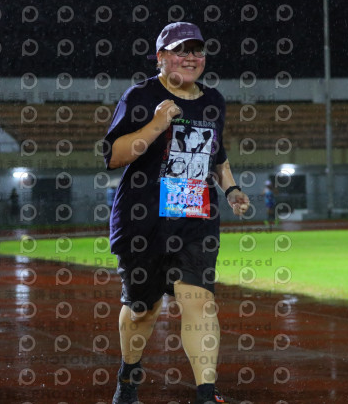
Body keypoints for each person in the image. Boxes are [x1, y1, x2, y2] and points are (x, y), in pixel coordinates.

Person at [103, 21, 250, 404]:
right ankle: (128, 377)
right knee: (143, 311)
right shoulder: (140, 96)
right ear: (161, 57)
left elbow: (216, 153)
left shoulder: (214, 100)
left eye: (196, 50)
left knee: (200, 303)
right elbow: (114, 156)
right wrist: (156, 123)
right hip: (142, 222)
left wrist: (231, 188)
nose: (190, 57)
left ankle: (205, 394)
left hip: (195, 219)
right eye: (180, 50)